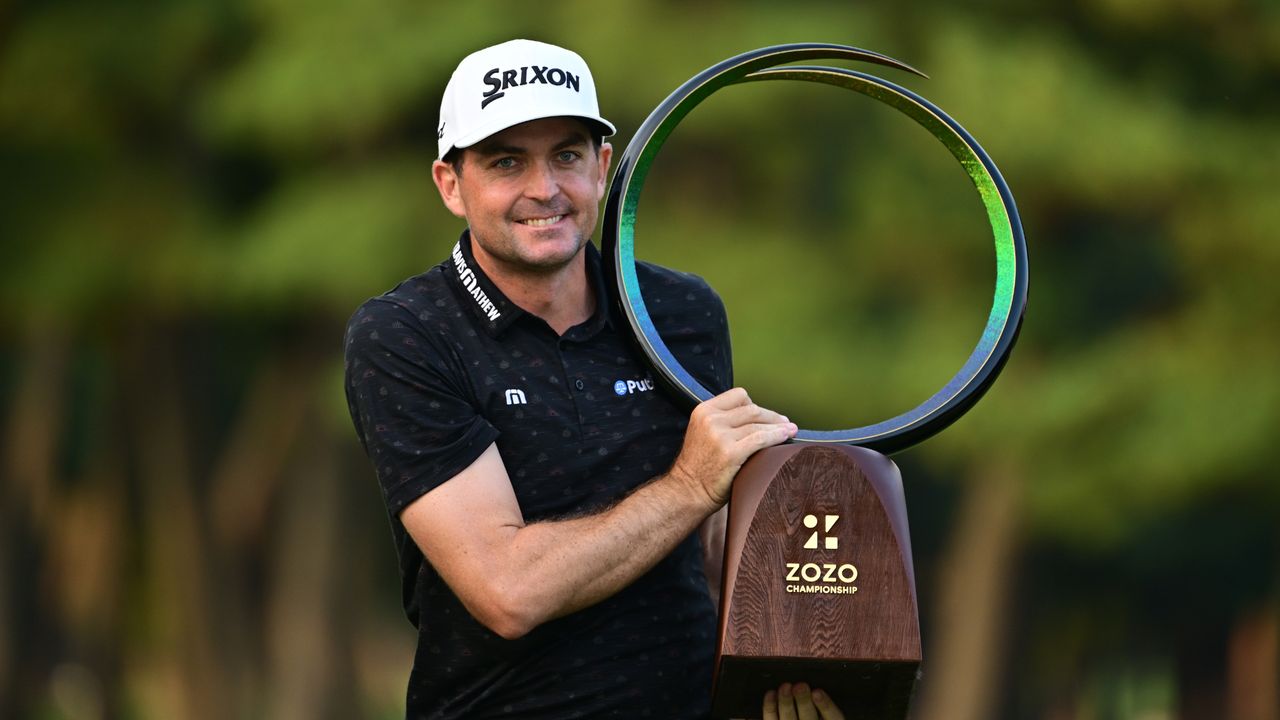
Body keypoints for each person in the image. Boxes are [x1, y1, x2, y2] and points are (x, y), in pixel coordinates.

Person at [344, 39, 844, 720]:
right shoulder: (406, 335)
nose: (544, 189)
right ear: (450, 184)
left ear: (604, 167)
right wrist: (690, 484)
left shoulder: (681, 312)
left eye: (567, 156)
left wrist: (799, 665)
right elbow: (506, 590)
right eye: (506, 162)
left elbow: (718, 550)